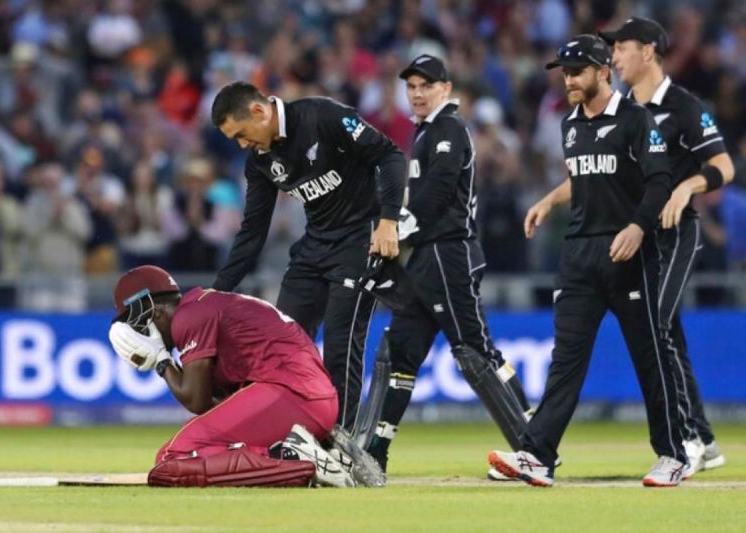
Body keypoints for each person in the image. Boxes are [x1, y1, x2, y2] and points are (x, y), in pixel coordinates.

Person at [488, 35, 688, 487]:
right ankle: (538, 455)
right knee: (565, 361)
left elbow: (660, 182)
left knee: (650, 357)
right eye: (565, 73)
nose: (569, 81)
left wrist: (638, 227)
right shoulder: (570, 125)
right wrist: (550, 200)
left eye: (577, 72)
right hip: (579, 255)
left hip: (630, 253)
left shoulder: (637, 121)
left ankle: (673, 454)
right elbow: (585, 177)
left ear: (603, 71)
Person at [362, 55, 531, 478]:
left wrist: (394, 229)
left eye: (426, 85)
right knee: (396, 352)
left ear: (447, 89)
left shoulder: (450, 128)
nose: (417, 93)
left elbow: (438, 192)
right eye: (412, 86)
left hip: (448, 252)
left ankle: (534, 449)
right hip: (427, 256)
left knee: (475, 352)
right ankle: (372, 453)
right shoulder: (427, 132)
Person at [209, 82, 407, 431]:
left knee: (339, 345)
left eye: (241, 134)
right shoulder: (260, 161)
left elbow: (390, 155)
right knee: (282, 342)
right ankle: (286, 432)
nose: (242, 144)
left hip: (362, 240)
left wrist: (389, 221)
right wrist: (217, 292)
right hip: (314, 246)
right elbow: (253, 231)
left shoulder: (324, 116)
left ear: (259, 111)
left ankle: (340, 443)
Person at [601, 16, 734, 476]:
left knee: (656, 325)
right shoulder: (620, 111)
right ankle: (704, 438)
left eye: (621, 47)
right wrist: (550, 197)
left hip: (676, 233)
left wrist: (687, 187)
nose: (614, 56)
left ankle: (689, 438)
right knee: (667, 333)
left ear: (649, 51)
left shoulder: (683, 105)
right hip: (639, 238)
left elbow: (723, 165)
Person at [108, 265, 368, 488]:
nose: (138, 334)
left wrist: (162, 363)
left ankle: (294, 458)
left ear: (154, 312)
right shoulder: (205, 305)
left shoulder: (189, 317)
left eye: (136, 325)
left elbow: (195, 401)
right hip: (309, 400)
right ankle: (318, 452)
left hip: (292, 395)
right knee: (200, 448)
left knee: (172, 458)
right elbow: (217, 405)